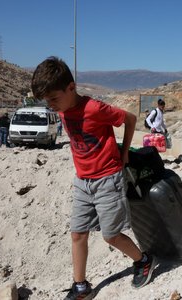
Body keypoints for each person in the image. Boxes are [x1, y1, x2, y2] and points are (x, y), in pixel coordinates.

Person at [31, 56, 156, 299]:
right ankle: (80, 287)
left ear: (71, 87)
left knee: (110, 235)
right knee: (78, 234)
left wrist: (124, 154)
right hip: (82, 182)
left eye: (54, 99)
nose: (52, 106)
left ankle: (142, 261)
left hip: (108, 180)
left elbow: (129, 119)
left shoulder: (95, 109)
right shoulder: (64, 109)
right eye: (48, 102)